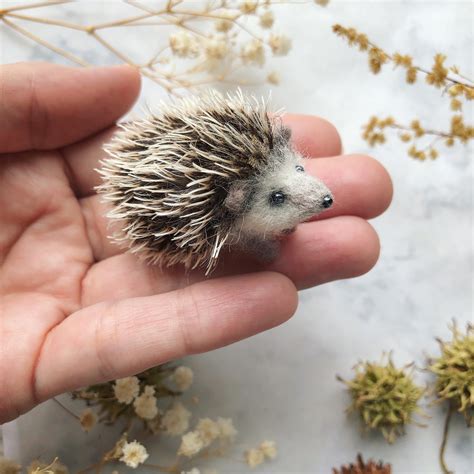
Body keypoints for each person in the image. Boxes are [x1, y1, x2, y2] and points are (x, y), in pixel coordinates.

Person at [0, 62, 392, 424]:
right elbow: (252, 239)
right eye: (277, 198)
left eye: (299, 170)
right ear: (236, 204)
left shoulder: (255, 187)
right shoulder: (229, 219)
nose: (317, 195)